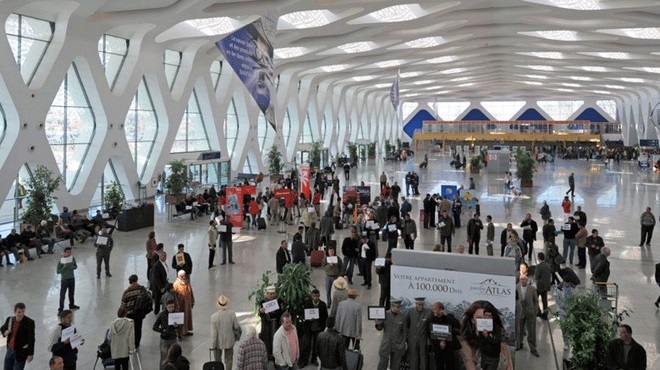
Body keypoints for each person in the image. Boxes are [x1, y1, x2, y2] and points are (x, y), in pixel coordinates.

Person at [459, 300, 513, 370]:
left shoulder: (503, 346)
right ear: (472, 320)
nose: (484, 321)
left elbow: (509, 367)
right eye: (479, 318)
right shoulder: (465, 344)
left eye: (487, 318)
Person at [210, 295, 241, 370]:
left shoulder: (214, 317)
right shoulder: (232, 314)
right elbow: (236, 326)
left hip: (218, 342)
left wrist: (212, 345)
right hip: (229, 340)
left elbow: (214, 333)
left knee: (217, 360)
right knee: (229, 359)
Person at [299, 289, 328, 367]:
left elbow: (325, 317)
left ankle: (314, 359)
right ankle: (304, 361)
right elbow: (303, 314)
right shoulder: (307, 303)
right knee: (306, 344)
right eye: (313, 296)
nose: (315, 298)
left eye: (317, 296)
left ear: (319, 296)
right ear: (311, 296)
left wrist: (322, 328)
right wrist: (307, 319)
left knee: (316, 345)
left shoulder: (323, 305)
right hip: (308, 327)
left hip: (318, 328)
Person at [1, 302, 35, 369]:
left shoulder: (29, 322)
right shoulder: (10, 319)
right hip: (10, 350)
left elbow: (31, 339)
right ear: (15, 312)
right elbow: (2, 329)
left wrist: (30, 354)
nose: (21, 314)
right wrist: (5, 333)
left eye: (23, 311)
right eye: (19, 312)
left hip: (20, 352)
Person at [376, 299, 407, 370]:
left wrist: (402, 343)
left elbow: (405, 332)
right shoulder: (385, 314)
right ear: (391, 306)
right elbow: (380, 328)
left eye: (398, 307)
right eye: (394, 306)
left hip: (397, 345)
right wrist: (378, 324)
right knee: (382, 365)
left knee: (395, 366)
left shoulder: (403, 317)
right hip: (386, 344)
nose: (396, 308)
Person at [429, 301, 461, 370]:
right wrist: (439, 343)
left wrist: (446, 315)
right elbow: (430, 334)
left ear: (440, 309)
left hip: (449, 347)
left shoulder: (449, 317)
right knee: (439, 366)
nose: (433, 310)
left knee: (450, 366)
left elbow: (457, 325)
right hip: (438, 348)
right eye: (433, 309)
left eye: (434, 309)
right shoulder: (432, 320)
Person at [120, 274, 148, 348]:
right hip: (139, 313)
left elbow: (123, 305)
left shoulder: (126, 292)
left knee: (129, 329)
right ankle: (137, 344)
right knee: (138, 329)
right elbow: (147, 299)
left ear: (130, 282)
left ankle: (129, 343)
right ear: (137, 280)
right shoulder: (142, 289)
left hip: (129, 314)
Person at [406, 297, 433, 370]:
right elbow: (407, 324)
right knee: (413, 356)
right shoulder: (410, 312)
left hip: (423, 338)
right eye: (418, 304)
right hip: (412, 338)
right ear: (415, 304)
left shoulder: (429, 312)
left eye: (421, 304)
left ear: (424, 304)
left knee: (423, 356)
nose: (420, 306)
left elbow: (430, 326)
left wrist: (429, 339)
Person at [516, 276, 539, 357]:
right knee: (519, 329)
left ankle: (533, 348)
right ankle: (519, 344)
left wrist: (536, 311)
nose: (523, 281)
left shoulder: (532, 289)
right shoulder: (517, 287)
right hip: (520, 312)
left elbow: (536, 301)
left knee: (531, 330)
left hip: (530, 312)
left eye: (524, 279)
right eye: (521, 280)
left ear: (527, 280)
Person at [258, 285, 285, 357]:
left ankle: (276, 354)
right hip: (266, 325)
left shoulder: (279, 301)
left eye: (273, 293)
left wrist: (273, 313)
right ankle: (267, 354)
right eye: (270, 294)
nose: (272, 295)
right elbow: (260, 314)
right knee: (267, 339)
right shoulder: (262, 302)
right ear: (266, 294)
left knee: (276, 338)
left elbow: (282, 311)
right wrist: (261, 312)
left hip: (276, 323)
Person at [153, 299, 180, 365]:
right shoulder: (162, 314)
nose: (171, 309)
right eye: (169, 307)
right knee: (164, 358)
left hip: (173, 338)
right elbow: (154, 327)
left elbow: (179, 326)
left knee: (175, 357)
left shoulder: (176, 314)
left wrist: (176, 326)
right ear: (166, 306)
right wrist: (162, 330)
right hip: (164, 339)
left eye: (173, 307)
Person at [57, 247, 79, 313]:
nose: (69, 254)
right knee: (62, 294)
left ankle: (71, 305)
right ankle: (61, 309)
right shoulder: (61, 261)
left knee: (71, 293)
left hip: (72, 278)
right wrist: (64, 267)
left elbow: (75, 266)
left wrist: (71, 267)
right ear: (64, 253)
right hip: (64, 279)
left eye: (70, 252)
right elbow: (58, 271)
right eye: (67, 252)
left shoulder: (72, 259)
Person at [172, 270, 194, 336]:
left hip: (187, 304)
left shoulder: (186, 283)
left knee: (187, 317)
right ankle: (180, 332)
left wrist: (192, 301)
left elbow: (191, 292)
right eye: (182, 276)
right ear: (179, 276)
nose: (184, 277)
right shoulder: (176, 284)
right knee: (181, 318)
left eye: (184, 275)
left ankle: (186, 330)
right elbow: (175, 296)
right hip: (180, 305)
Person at [534, 253, 552, 319]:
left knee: (535, 299)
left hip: (540, 285)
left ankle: (538, 312)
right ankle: (545, 314)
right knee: (544, 300)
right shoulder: (548, 265)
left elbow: (536, 276)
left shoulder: (538, 266)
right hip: (546, 285)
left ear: (538, 258)